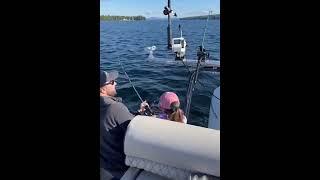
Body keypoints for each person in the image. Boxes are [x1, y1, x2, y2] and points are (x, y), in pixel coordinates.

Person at [100, 70, 135, 180]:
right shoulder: (116, 108)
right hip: (116, 171)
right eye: (112, 82)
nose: (115, 83)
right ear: (102, 88)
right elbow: (137, 133)